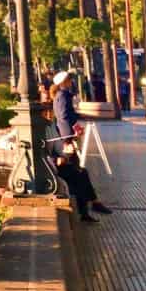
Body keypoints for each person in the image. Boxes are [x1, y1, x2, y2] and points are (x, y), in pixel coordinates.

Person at [48, 69, 112, 222]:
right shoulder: (62, 96)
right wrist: (68, 140)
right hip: (66, 142)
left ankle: (89, 208)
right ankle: (90, 206)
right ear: (64, 82)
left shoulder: (60, 96)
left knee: (79, 174)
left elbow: (65, 116)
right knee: (79, 174)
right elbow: (63, 118)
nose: (71, 82)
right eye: (69, 79)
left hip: (64, 142)